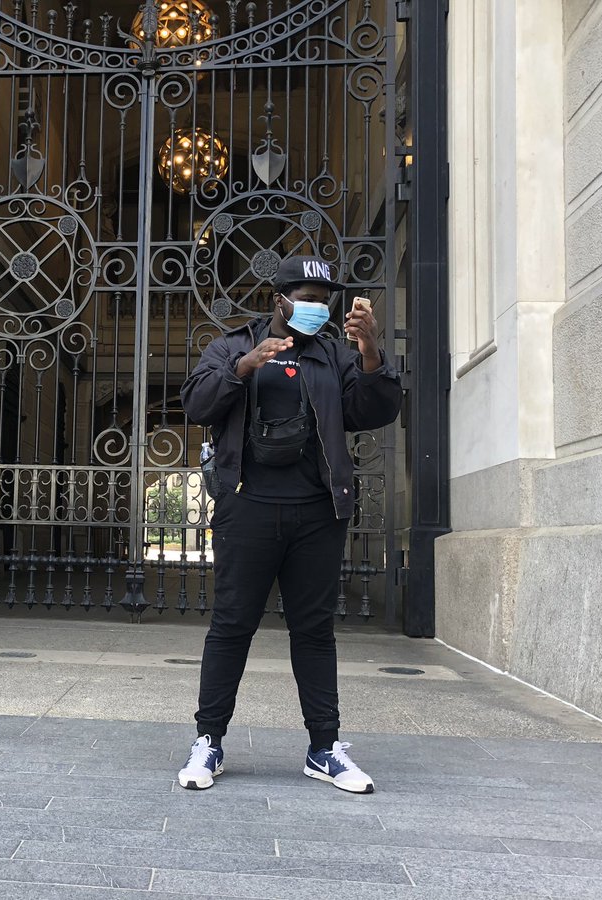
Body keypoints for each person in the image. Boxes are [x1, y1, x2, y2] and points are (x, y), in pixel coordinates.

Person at [177, 255, 402, 793]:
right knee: (231, 626)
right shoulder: (232, 346)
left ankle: (324, 749)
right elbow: (195, 402)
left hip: (317, 512)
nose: (316, 310)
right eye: (305, 299)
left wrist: (370, 352)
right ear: (277, 300)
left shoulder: (335, 356)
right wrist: (244, 367)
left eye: (324, 302)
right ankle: (209, 743)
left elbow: (375, 410)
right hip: (247, 506)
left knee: (314, 630)